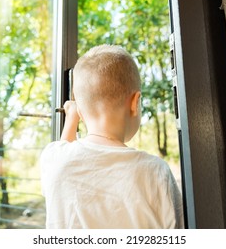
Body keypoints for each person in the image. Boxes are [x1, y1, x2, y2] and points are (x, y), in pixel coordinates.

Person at [40, 44, 184, 229]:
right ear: (135, 102)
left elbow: (63, 152)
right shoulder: (157, 172)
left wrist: (72, 118)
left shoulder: (54, 159)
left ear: (81, 114)